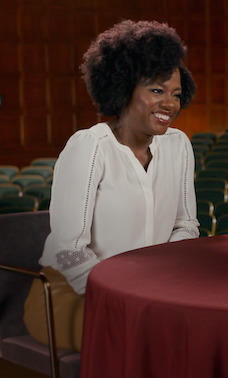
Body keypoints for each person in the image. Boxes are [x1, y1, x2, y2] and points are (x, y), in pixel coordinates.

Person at [23, 20, 199, 352]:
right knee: (154, 338)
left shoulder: (178, 146)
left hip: (150, 292)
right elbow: (69, 249)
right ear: (124, 88)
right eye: (157, 91)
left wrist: (163, 276)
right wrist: (123, 292)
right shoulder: (90, 147)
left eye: (176, 94)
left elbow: (186, 225)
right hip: (67, 294)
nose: (171, 104)